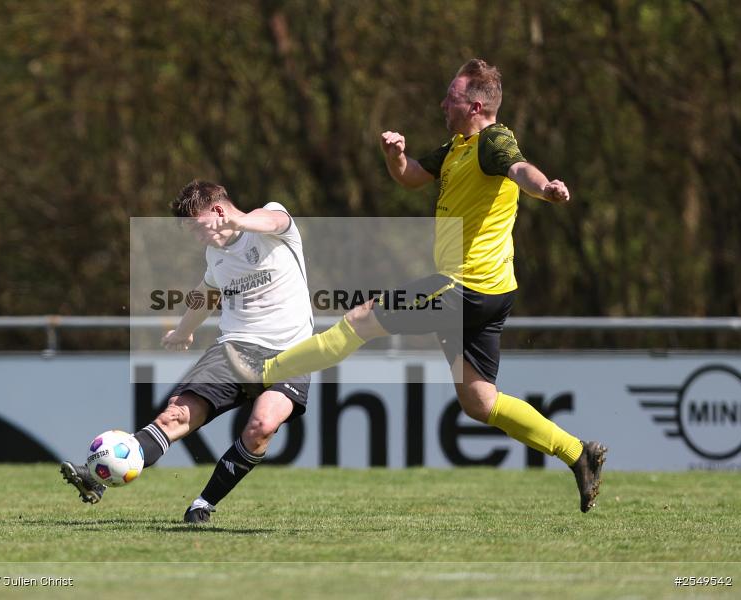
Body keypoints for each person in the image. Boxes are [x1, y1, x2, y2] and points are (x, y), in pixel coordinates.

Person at [225, 59, 607, 513]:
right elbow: (409, 178)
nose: (443, 102)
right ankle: (578, 454)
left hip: (465, 288)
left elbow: (522, 170)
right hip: (493, 291)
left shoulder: (493, 140)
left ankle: (265, 374)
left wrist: (547, 189)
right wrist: (395, 157)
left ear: (476, 105)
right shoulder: (456, 147)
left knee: (360, 318)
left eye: (452, 96)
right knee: (480, 402)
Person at [62, 180, 313, 523]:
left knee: (262, 427)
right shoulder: (216, 255)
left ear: (220, 211)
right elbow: (207, 292)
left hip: (292, 352)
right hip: (235, 349)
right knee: (173, 417)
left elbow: (269, 221)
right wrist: (184, 331)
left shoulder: (272, 220)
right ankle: (95, 478)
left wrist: (238, 222)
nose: (198, 238)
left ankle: (203, 503)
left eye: (198, 227)